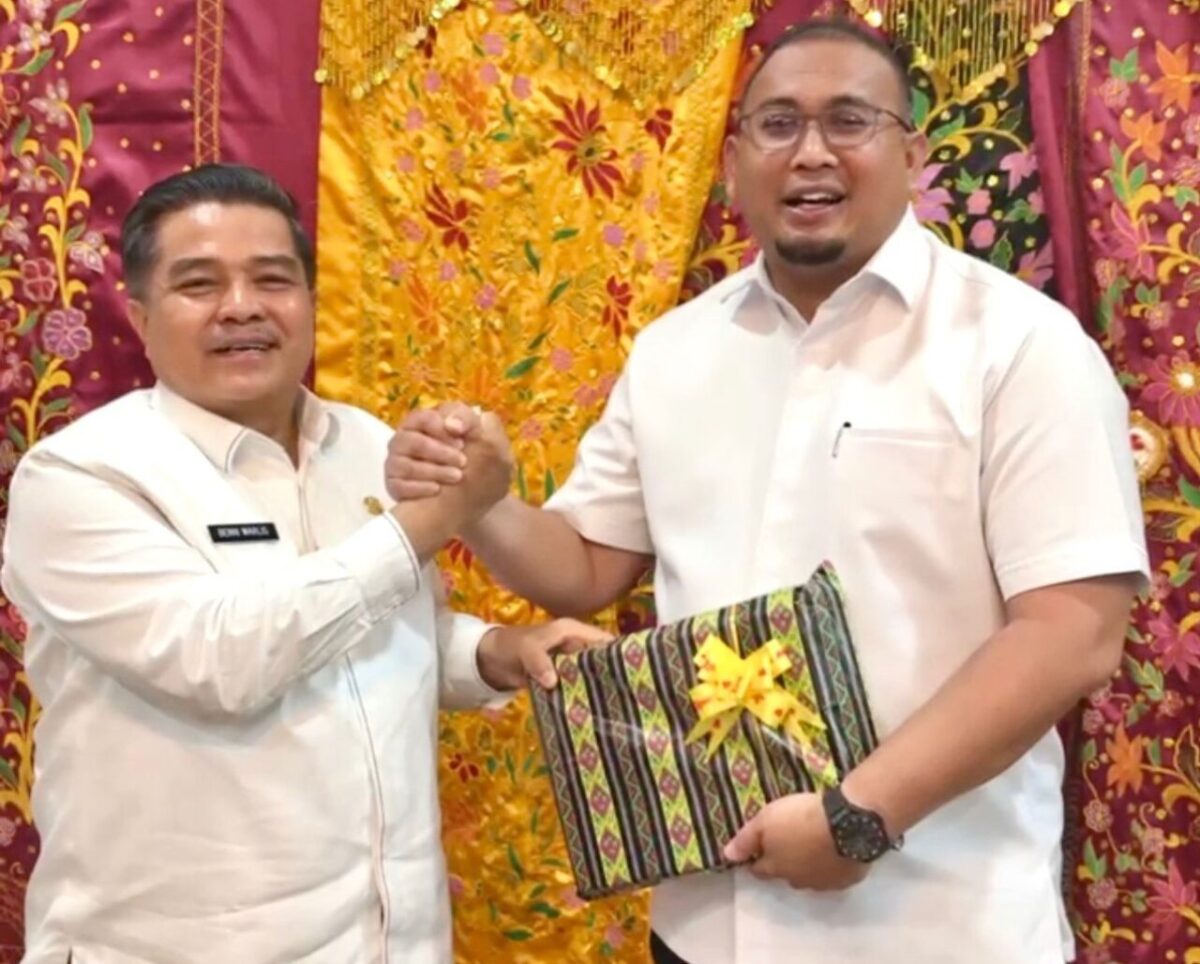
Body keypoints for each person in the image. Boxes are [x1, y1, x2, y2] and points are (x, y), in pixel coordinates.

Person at [383, 18, 1149, 964]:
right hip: (706, 921)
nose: (811, 152)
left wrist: (861, 813)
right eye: (778, 124)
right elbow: (583, 568)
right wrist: (480, 501)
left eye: (849, 121)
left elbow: (1072, 633)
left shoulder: (1020, 346)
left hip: (936, 925)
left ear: (913, 154)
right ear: (735, 157)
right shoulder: (676, 351)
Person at [0, 163, 607, 963]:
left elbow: (383, 628)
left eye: (272, 279)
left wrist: (495, 652)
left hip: (395, 942)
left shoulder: (362, 442)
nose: (241, 306)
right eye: (199, 284)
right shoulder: (80, 476)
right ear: (141, 317)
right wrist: (441, 516)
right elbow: (219, 659)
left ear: (311, 302)